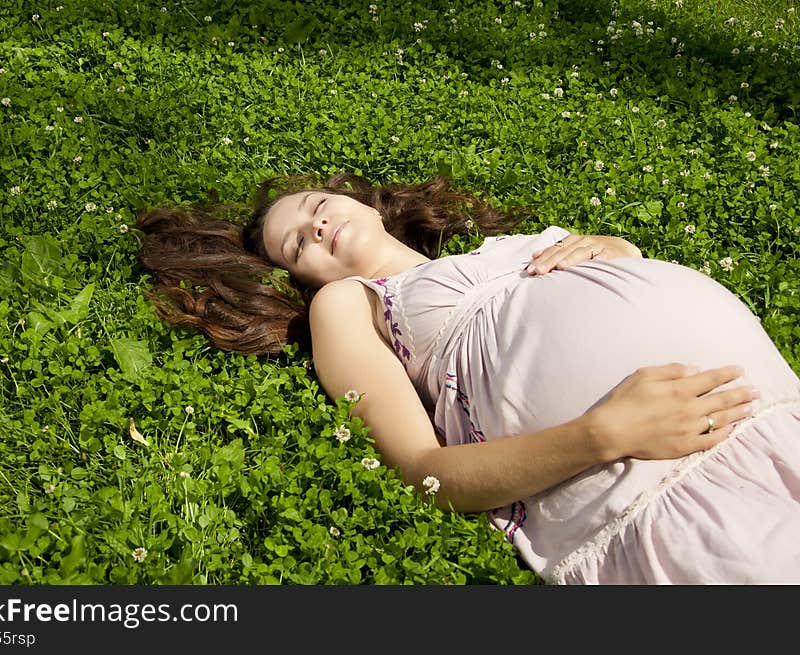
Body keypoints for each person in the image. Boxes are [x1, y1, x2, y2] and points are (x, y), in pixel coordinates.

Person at [136, 172, 800, 584]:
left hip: (776, 423)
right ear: (299, 278)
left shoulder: (511, 247)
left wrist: (619, 252)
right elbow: (426, 471)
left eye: (315, 204)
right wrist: (603, 433)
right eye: (297, 244)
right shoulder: (348, 305)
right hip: (663, 487)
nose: (315, 223)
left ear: (362, 201)